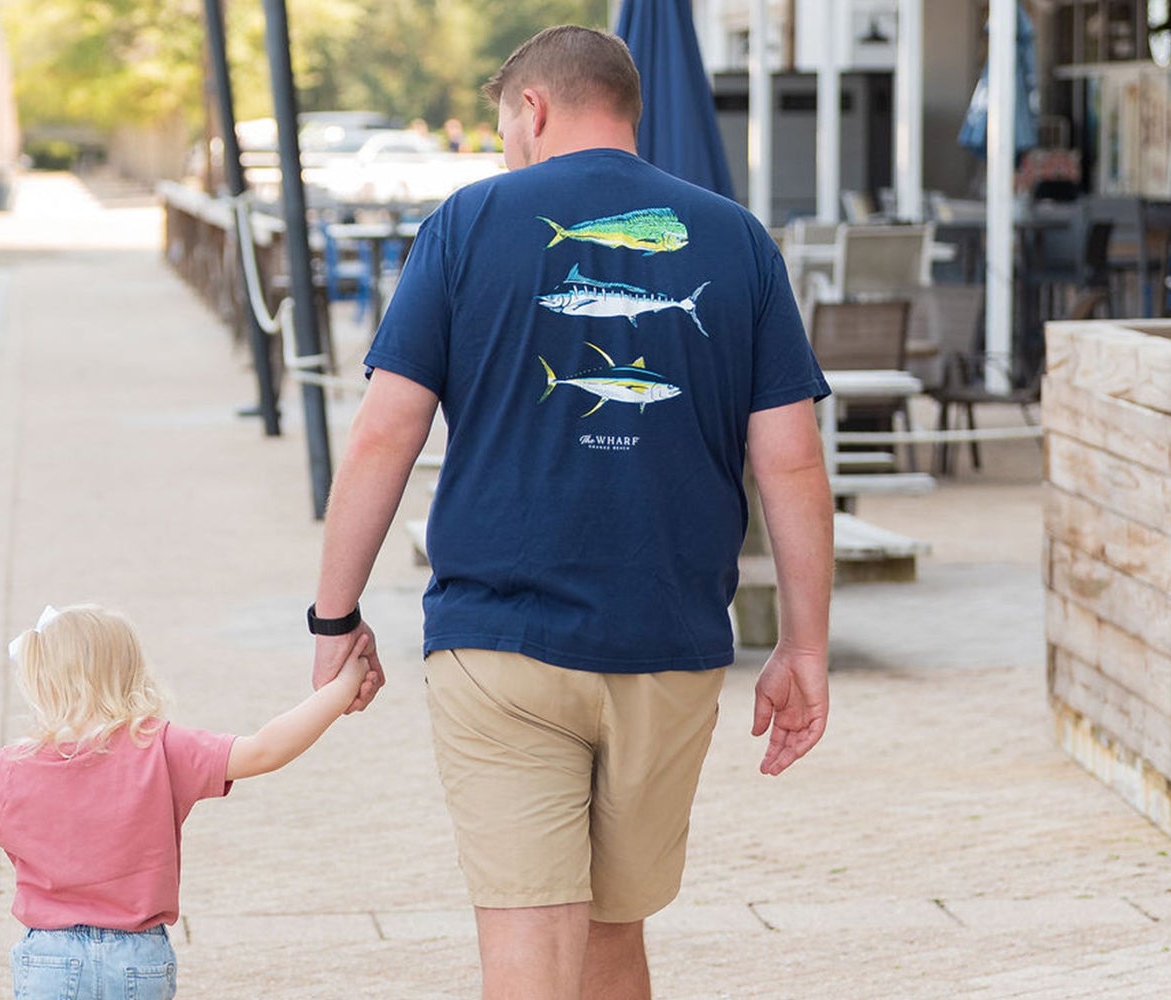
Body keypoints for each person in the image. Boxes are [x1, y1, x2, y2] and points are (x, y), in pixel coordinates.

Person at [305, 26, 835, 1000]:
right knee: (609, 935)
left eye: (507, 129)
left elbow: (384, 435)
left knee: (528, 943)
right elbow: (793, 463)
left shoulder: (466, 224)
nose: (509, 151)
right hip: (669, 643)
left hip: (499, 644)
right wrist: (805, 643)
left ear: (533, 108)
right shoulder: (736, 239)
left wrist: (334, 618)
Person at [0, 605, 366, 999]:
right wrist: (342, 686)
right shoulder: (161, 747)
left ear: (43, 682)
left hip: (49, 958)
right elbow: (265, 749)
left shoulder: (16, 767)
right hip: (139, 957)